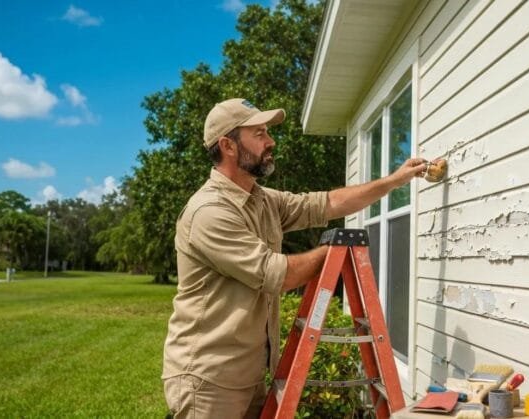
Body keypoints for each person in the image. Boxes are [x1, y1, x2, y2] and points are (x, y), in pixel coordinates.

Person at [162, 98, 428, 418]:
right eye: (259, 133)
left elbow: (326, 204)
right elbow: (278, 275)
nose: (270, 141)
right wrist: (335, 251)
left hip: (248, 374)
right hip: (208, 380)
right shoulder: (209, 212)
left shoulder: (261, 200)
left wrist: (393, 181)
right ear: (227, 146)